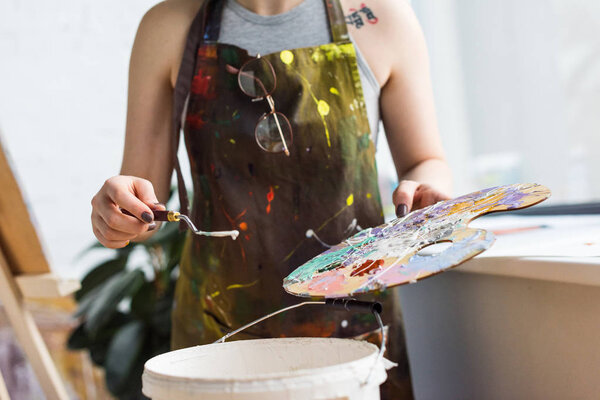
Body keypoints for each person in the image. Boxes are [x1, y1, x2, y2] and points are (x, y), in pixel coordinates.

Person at [91, 0, 452, 398]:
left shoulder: (381, 17)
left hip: (354, 339)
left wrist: (424, 193)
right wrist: (120, 213)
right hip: (219, 343)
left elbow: (424, 161)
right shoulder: (167, 27)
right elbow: (142, 205)